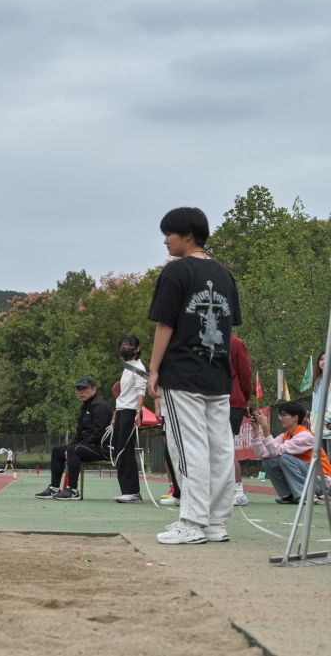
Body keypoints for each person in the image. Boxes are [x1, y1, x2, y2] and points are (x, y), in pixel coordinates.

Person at [148, 207, 241, 545]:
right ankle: (216, 522)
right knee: (220, 449)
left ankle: (191, 520)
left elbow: (165, 324)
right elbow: (229, 327)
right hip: (217, 373)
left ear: (187, 235)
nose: (165, 241)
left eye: (169, 234)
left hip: (183, 373)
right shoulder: (225, 275)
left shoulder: (176, 271)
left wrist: (154, 369)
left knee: (189, 447)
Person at [35, 376, 110, 501]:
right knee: (57, 450)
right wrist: (71, 446)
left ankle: (73, 490)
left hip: (102, 448)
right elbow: (79, 432)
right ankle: (54, 488)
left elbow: (99, 433)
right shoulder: (85, 406)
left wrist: (74, 447)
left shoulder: (101, 406)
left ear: (94, 389)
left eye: (84, 389)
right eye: (78, 389)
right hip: (88, 446)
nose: (81, 392)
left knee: (74, 450)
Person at [250, 402, 331, 503]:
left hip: (322, 482)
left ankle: (306, 496)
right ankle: (289, 495)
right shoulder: (285, 436)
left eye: (283, 415)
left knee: (284, 458)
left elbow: (276, 450)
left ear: (295, 418)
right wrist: (256, 429)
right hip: (309, 478)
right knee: (268, 461)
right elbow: (262, 453)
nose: (280, 418)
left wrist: (265, 427)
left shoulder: (305, 436)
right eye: (280, 415)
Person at [113, 336, 147, 503]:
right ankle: (127, 491)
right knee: (119, 451)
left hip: (131, 412)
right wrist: (115, 414)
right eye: (123, 344)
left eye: (129, 345)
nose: (125, 347)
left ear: (137, 349)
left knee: (126, 451)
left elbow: (141, 390)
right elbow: (124, 394)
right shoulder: (127, 367)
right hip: (122, 411)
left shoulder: (139, 367)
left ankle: (133, 492)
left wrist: (138, 412)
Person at [229, 335, 254, 506]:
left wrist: (243, 399)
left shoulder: (233, 342)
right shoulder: (197, 338)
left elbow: (245, 374)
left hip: (230, 402)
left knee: (225, 447)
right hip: (206, 402)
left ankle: (238, 491)